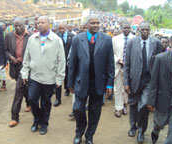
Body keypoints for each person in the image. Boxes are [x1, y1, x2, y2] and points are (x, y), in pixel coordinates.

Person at [68, 15, 114, 144]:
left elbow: (110, 64)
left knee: (95, 111)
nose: (96, 25)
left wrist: (109, 85)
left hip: (98, 83)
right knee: (78, 108)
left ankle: (89, 136)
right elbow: (72, 63)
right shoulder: (77, 39)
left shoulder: (107, 40)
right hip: (81, 81)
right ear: (87, 24)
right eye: (93, 23)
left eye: (97, 23)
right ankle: (79, 132)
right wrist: (70, 82)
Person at [20, 16, 66, 135]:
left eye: (43, 22)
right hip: (34, 76)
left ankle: (44, 124)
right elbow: (27, 57)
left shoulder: (56, 40)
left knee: (46, 102)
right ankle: (36, 120)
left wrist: (59, 78)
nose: (39, 24)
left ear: (49, 24)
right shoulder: (32, 38)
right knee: (32, 99)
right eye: (38, 22)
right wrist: (24, 73)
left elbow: (61, 60)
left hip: (49, 77)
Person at [124, 21, 162, 143]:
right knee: (134, 104)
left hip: (149, 80)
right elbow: (127, 64)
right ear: (138, 30)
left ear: (150, 30)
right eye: (143, 30)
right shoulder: (131, 42)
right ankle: (132, 126)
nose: (145, 32)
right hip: (134, 79)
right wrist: (126, 82)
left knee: (144, 106)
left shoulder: (156, 43)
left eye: (147, 30)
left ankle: (141, 130)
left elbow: (159, 63)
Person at [5, 17, 31, 127]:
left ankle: (14, 117)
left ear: (24, 25)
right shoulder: (9, 36)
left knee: (19, 89)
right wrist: (11, 57)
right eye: (16, 25)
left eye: (20, 25)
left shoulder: (30, 36)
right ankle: (29, 102)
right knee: (23, 86)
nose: (18, 27)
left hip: (26, 66)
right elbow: (5, 50)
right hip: (15, 66)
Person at [112, 21, 135, 118]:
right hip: (118, 67)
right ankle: (118, 108)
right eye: (124, 27)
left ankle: (125, 105)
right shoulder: (115, 39)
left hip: (129, 69)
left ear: (130, 28)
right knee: (117, 89)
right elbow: (111, 53)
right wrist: (118, 60)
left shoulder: (135, 39)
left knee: (126, 89)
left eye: (128, 27)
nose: (126, 29)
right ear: (121, 28)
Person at [53, 23, 74, 107]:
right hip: (58, 61)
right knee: (58, 79)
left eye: (62, 28)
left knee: (67, 76)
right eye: (60, 28)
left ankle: (67, 89)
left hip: (68, 60)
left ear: (66, 28)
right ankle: (58, 99)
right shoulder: (55, 36)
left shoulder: (72, 36)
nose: (61, 30)